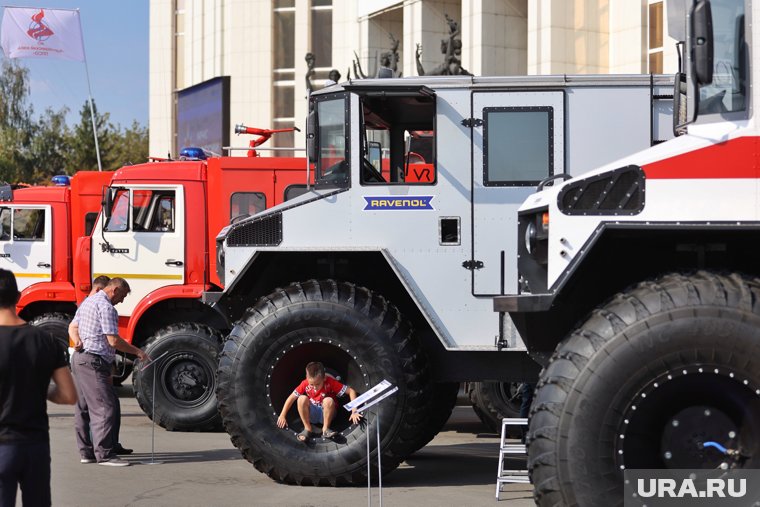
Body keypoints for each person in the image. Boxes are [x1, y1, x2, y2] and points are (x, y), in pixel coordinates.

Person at [0, 268, 77, 506]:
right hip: (35, 446)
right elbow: (68, 395)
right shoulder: (45, 340)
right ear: (19, 297)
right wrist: (39, 388)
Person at [69, 278, 148, 466]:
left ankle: (87, 453)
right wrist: (138, 352)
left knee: (83, 408)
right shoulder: (107, 308)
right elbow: (113, 341)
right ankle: (105, 454)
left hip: (80, 359)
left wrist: (77, 340)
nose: (121, 301)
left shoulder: (88, 302)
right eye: (122, 296)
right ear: (114, 289)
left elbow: (72, 326)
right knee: (105, 407)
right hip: (93, 361)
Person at [277, 361, 362, 442]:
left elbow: (351, 391)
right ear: (307, 378)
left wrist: (354, 411)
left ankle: (325, 429)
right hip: (313, 413)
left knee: (328, 400)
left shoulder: (330, 382)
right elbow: (291, 398)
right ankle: (307, 429)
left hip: (328, 413)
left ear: (324, 378)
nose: (314, 387)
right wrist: (282, 415)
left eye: (317, 384)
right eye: (311, 384)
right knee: (301, 398)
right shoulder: (305, 383)